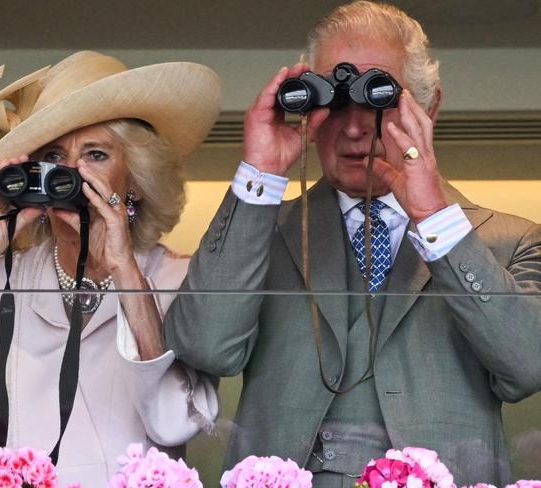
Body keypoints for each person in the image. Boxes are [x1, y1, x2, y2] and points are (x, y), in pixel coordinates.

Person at [163, 2, 541, 486]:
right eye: (334, 102)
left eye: (378, 97)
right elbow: (204, 348)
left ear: (429, 108)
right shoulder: (261, 229)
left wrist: (436, 220)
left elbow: (528, 368)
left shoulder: (507, 241)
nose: (355, 126)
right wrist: (262, 172)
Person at [0, 51, 220, 486]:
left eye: (96, 155)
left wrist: (124, 272)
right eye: (53, 156)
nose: (72, 174)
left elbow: (174, 422)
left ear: (136, 181)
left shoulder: (179, 280)